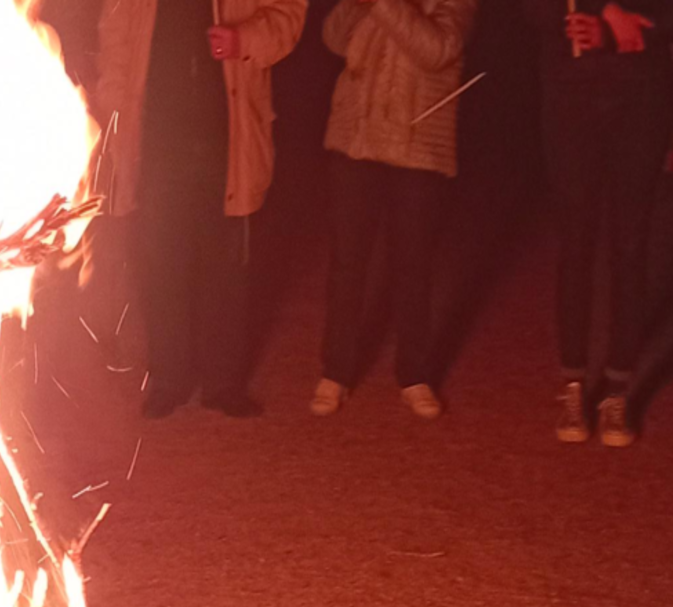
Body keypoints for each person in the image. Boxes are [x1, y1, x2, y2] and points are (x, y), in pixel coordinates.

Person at [95, 0, 309, 419]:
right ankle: (168, 380)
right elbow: (115, 36)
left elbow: (288, 16)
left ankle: (223, 383)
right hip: (157, 140)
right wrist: (114, 113)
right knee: (161, 264)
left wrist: (243, 38)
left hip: (227, 136)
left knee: (227, 265)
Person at [531, 0, 673, 447]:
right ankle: (573, 384)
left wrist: (636, 25)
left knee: (630, 245)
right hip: (570, 100)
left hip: (641, 99)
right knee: (576, 243)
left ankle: (618, 387)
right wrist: (595, 18)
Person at [313, 0, 476, 421]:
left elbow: (438, 50)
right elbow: (333, 38)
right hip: (355, 135)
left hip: (418, 142)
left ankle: (414, 375)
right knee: (347, 261)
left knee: (413, 264)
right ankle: (335, 371)